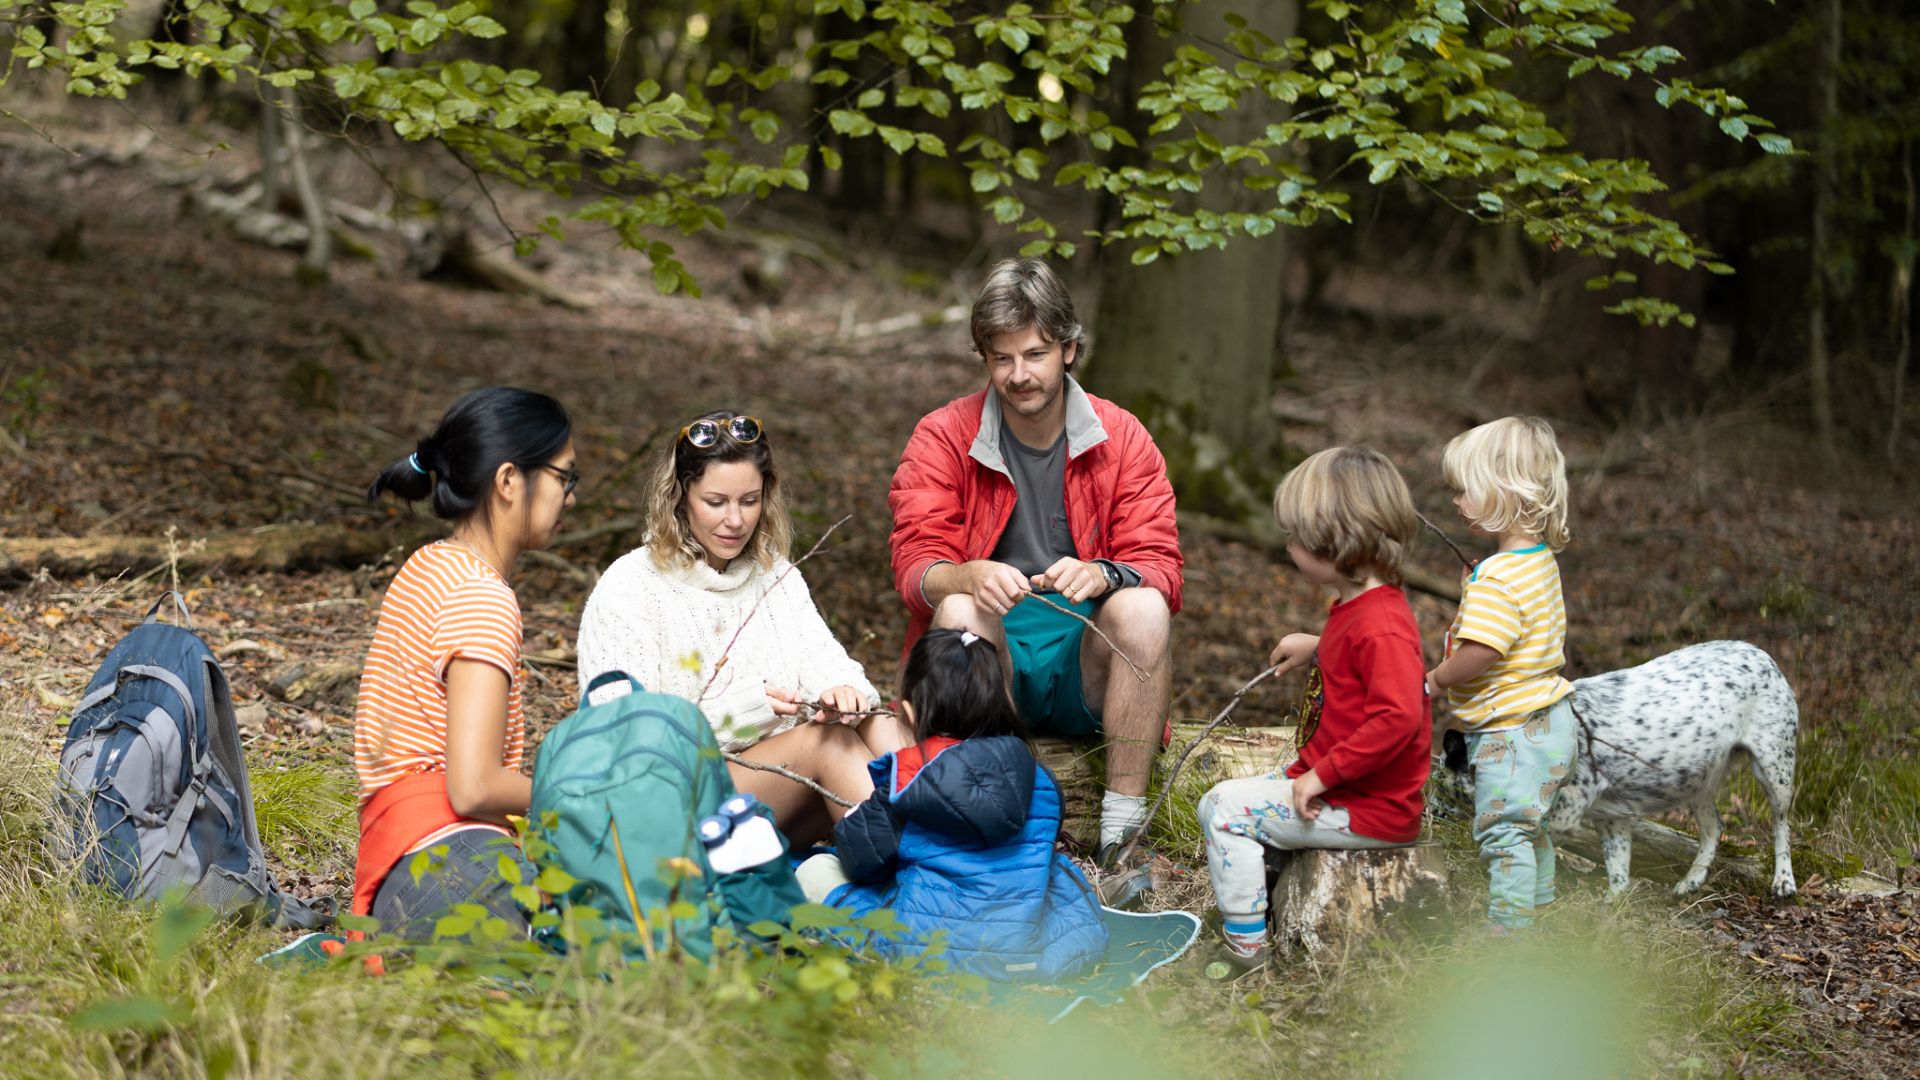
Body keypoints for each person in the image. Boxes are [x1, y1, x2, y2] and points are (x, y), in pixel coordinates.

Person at [888, 257, 1182, 869]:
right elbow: (914, 567)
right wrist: (966, 573)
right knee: (958, 606)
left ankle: (1122, 837)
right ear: (984, 358)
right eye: (1002, 358)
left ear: (1070, 349)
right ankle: (982, 834)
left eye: (1036, 354)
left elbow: (1161, 564)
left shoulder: (1123, 437)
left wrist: (1106, 572)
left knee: (1145, 605)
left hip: (1085, 651)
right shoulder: (943, 435)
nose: (1019, 375)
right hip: (993, 653)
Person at [577, 410, 912, 846]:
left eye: (749, 501)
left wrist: (842, 690)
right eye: (715, 502)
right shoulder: (631, 584)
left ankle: (953, 831)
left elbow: (822, 657)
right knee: (827, 743)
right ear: (679, 497)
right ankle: (925, 865)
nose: (735, 520)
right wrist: (746, 712)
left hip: (770, 795)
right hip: (666, 813)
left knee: (875, 721)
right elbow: (623, 740)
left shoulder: (775, 573)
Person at [351, 386, 577, 940]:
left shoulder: (430, 564)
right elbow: (473, 787)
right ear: (507, 481)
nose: (571, 497)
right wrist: (582, 795)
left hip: (396, 867)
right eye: (564, 477)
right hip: (451, 868)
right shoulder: (483, 598)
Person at [1197, 446, 1431, 969]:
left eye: (1296, 538)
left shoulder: (1382, 625)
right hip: (1347, 785)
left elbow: (1398, 717)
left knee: (1224, 812)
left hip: (1370, 806)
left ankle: (1245, 952)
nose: (1288, 546)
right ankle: (1267, 888)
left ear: (1337, 542)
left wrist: (1323, 775)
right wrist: (1318, 646)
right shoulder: (1363, 605)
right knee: (1237, 794)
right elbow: (1358, 657)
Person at [793, 628, 1110, 981]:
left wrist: (856, 819)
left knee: (815, 870)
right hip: (1029, 957)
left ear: (910, 714)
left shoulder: (909, 778)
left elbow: (862, 862)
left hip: (928, 957)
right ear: (1000, 703)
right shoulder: (1038, 778)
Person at [1425, 416, 1576, 929]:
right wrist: (1478, 585)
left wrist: (1439, 677)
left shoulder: (1497, 578)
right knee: (1531, 826)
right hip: (1552, 722)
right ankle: (1540, 906)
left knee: (1504, 834)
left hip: (1511, 733)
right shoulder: (1537, 560)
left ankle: (1509, 933)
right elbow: (1518, 620)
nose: (1455, 501)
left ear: (1504, 491)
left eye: (1465, 490)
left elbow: (1483, 650)